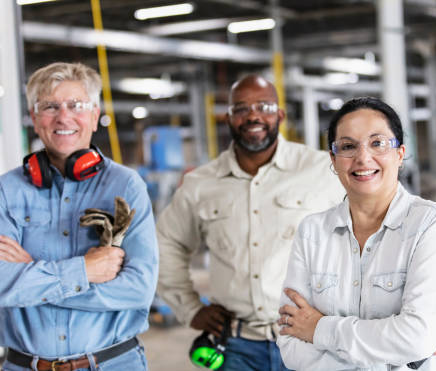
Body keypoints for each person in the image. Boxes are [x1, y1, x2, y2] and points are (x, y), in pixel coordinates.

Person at [156, 74, 345, 370]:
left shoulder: (323, 171)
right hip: (235, 347)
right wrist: (189, 308)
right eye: (241, 108)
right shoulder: (200, 184)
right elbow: (167, 243)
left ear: (280, 115)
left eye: (264, 106)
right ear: (228, 118)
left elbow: (373, 228)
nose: (253, 115)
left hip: (311, 342)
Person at [277, 97, 436, 371]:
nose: (363, 158)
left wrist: (318, 328)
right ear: (333, 160)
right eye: (348, 146)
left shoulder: (430, 223)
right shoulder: (312, 232)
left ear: (400, 154)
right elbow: (292, 349)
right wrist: (393, 352)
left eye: (378, 143)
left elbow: (418, 338)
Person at [0, 62, 158, 371]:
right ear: (34, 118)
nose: (63, 116)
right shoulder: (6, 190)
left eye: (76, 105)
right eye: (50, 106)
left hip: (114, 363)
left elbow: (138, 289)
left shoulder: (126, 186)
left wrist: (31, 276)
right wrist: (83, 270)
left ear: (95, 116)